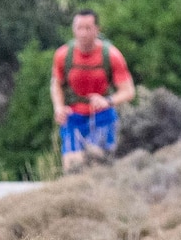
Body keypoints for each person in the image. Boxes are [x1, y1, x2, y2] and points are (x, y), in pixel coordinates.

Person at [50, 10, 135, 171]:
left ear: (97, 30)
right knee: (72, 168)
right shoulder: (62, 55)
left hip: (103, 117)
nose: (83, 33)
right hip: (73, 117)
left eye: (88, 28)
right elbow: (56, 84)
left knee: (99, 167)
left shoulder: (112, 55)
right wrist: (58, 107)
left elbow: (128, 91)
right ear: (73, 29)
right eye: (79, 28)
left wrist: (107, 101)